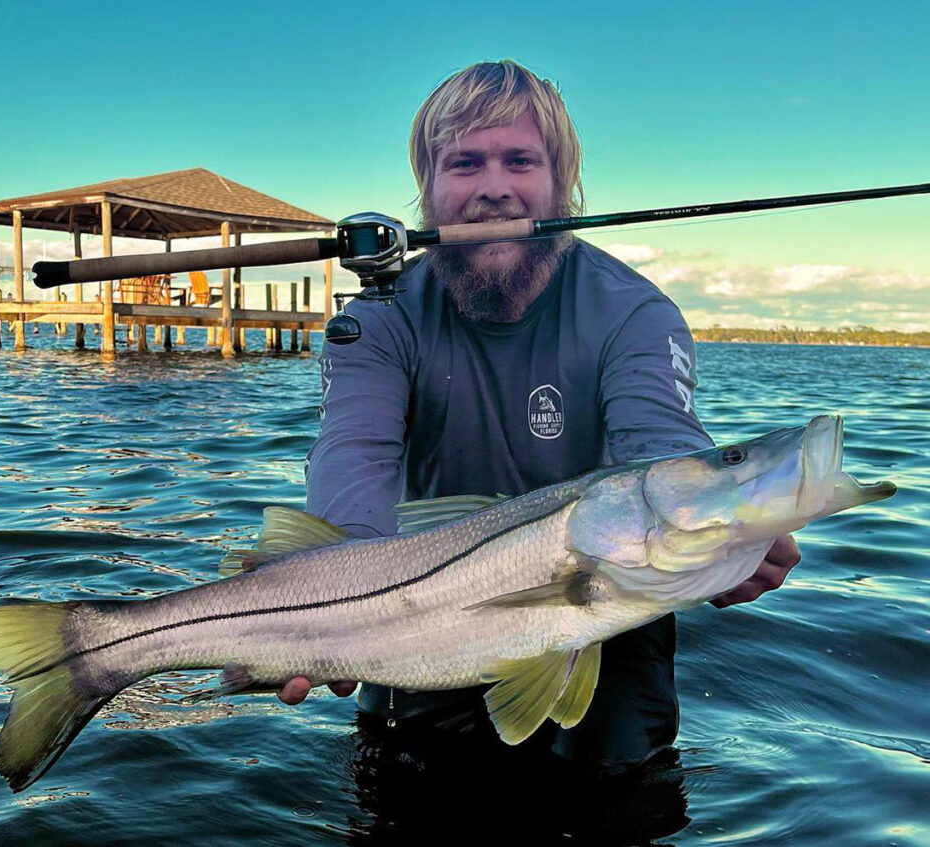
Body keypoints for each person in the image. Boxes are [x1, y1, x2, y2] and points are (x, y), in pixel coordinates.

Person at [281, 60, 800, 773]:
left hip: (608, 612)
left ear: (563, 185)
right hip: (409, 610)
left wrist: (722, 531)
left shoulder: (634, 312)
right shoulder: (381, 317)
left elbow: (663, 445)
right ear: (428, 190)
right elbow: (350, 462)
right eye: (464, 162)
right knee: (400, 793)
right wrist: (327, 607)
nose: (494, 186)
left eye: (520, 160)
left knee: (618, 793)